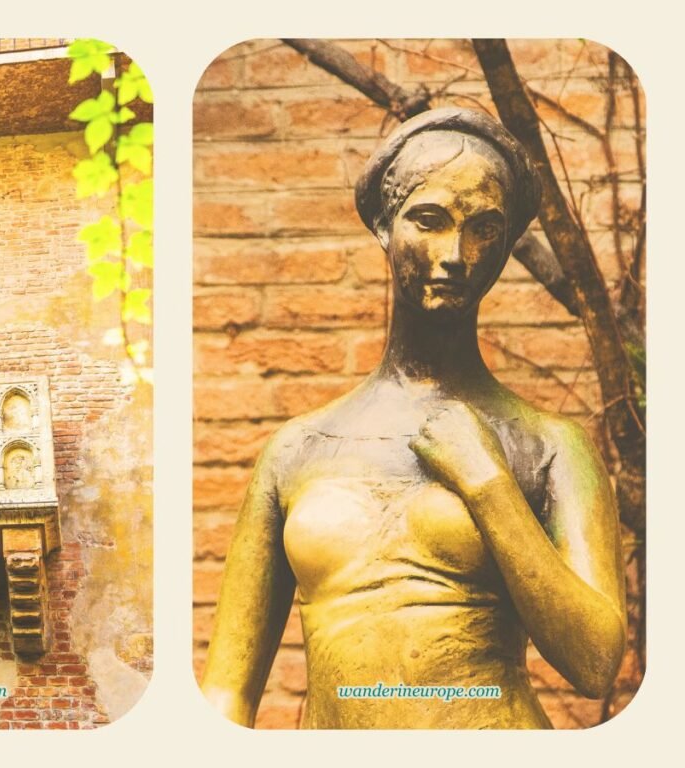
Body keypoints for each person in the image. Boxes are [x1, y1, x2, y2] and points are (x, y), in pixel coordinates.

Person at [200, 107, 627, 729]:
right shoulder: (297, 450)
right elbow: (227, 693)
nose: (456, 253)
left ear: (506, 244)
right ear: (383, 225)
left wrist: (488, 484)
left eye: (485, 228)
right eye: (429, 220)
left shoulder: (548, 444)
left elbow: (595, 665)